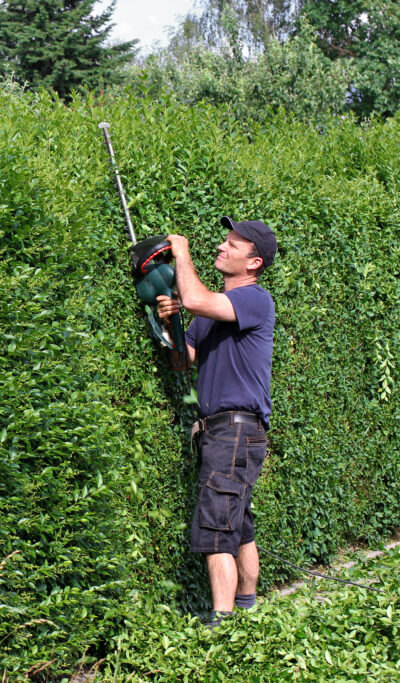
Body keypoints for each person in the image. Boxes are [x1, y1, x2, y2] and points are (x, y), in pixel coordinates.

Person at [156, 216, 278, 628]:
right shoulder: (211, 312)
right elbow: (181, 362)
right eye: (224, 241)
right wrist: (168, 322)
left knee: (216, 522)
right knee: (237, 520)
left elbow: (195, 299)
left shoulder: (255, 300)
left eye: (233, 245)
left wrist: (181, 252)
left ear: (254, 263)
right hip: (221, 432)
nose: (222, 248)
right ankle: (246, 610)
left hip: (236, 429)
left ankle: (221, 625)